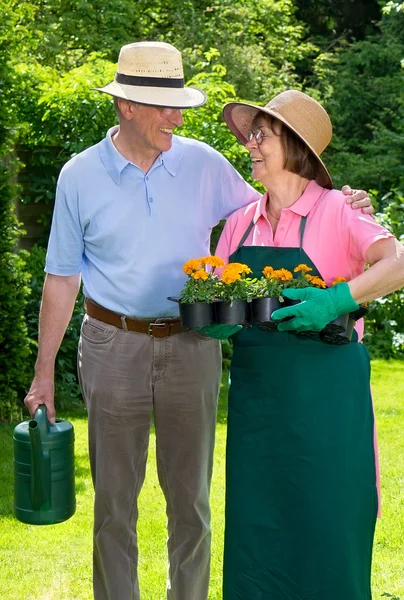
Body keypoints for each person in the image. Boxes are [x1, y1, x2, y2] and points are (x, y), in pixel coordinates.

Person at [23, 42, 373, 600]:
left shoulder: (204, 164)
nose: (177, 117)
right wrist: (44, 374)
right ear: (126, 107)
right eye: (163, 107)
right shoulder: (79, 176)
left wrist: (344, 199)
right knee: (115, 505)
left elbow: (279, 199)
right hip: (112, 344)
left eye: (179, 105)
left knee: (191, 501)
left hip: (192, 343)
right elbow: (61, 279)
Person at [210, 90, 404, 599]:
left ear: (293, 145)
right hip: (258, 407)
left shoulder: (339, 211)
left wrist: (336, 298)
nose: (249, 145)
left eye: (261, 135)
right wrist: (216, 319)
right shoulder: (239, 224)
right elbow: (215, 293)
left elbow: (398, 263)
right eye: (250, 135)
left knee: (327, 521)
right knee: (259, 528)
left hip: (327, 404)